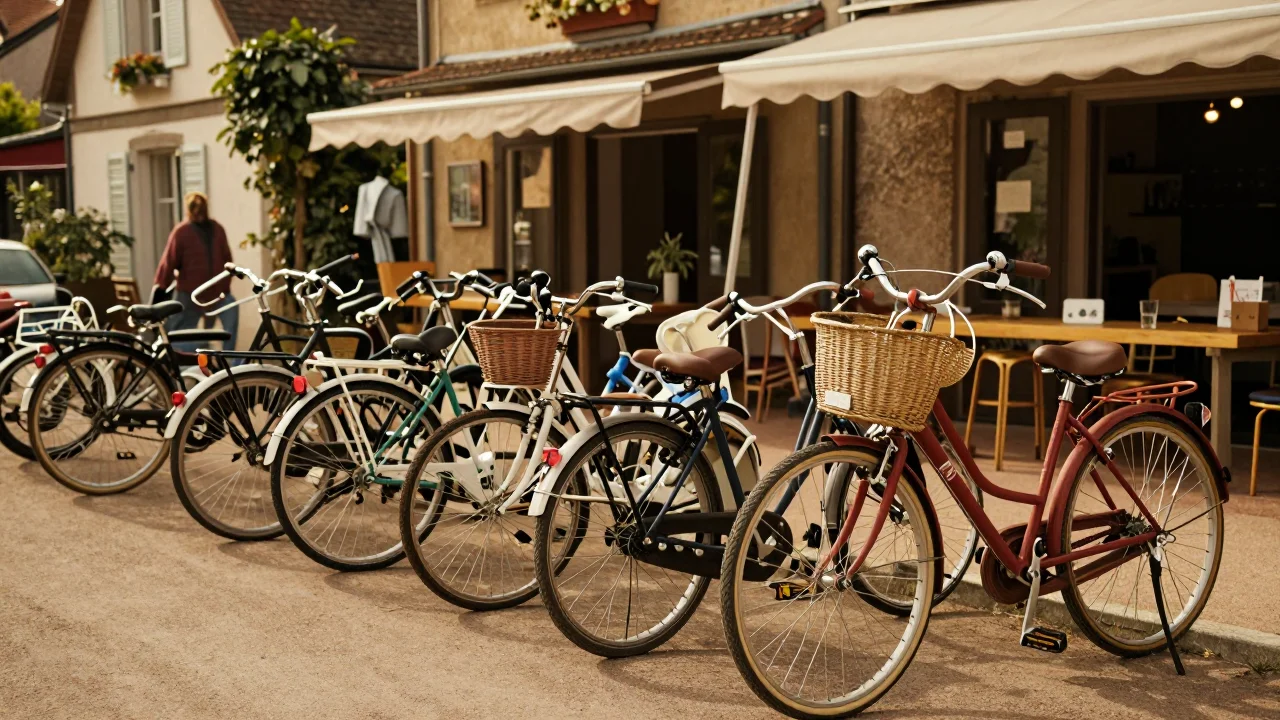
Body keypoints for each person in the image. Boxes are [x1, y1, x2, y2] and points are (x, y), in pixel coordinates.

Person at [153, 192, 238, 350]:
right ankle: (189, 358)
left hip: (218, 295)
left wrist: (224, 288)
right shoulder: (181, 232)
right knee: (182, 334)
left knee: (231, 308)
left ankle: (231, 360)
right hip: (190, 295)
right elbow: (168, 263)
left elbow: (227, 261)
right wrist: (161, 288)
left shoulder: (217, 230)